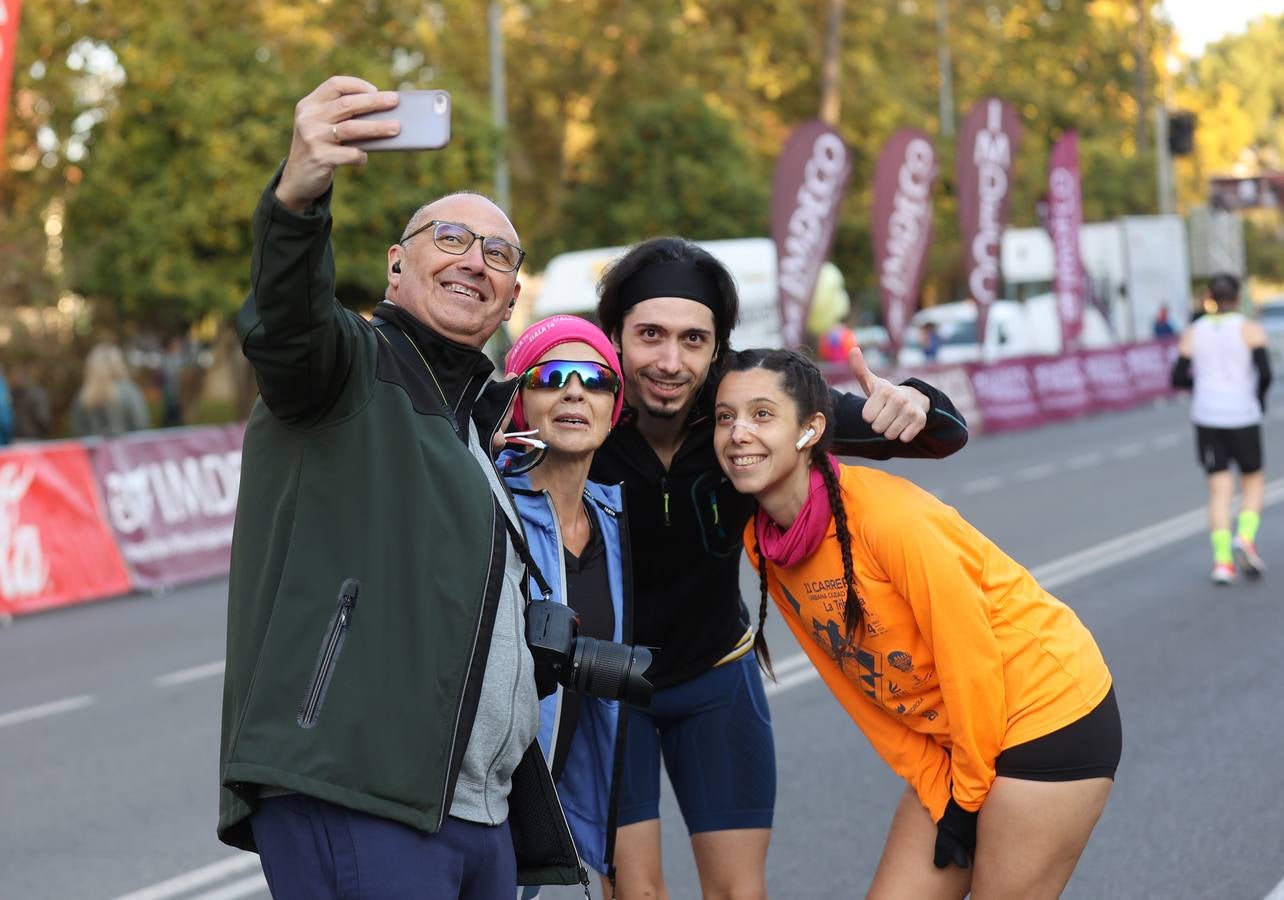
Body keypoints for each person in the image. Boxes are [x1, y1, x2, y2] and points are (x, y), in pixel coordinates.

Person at [218, 76, 585, 898]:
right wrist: (299, 194)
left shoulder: (473, 427)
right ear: (395, 264)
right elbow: (286, 322)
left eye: (498, 254)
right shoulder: (350, 367)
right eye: (450, 237)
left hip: (474, 815)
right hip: (357, 789)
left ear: (512, 296)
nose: (474, 261)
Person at [588, 236, 969, 898]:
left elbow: (943, 436)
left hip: (715, 681)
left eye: (693, 340)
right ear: (615, 336)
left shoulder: (749, 404)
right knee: (636, 895)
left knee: (740, 893)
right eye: (649, 335)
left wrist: (915, 401)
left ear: (718, 347)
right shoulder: (580, 406)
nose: (670, 361)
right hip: (608, 691)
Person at [713, 348, 1120, 899]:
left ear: (810, 430)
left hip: (1045, 712)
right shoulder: (765, 543)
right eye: (724, 417)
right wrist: (937, 782)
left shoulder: (886, 516)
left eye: (762, 414)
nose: (738, 432)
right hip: (962, 739)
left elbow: (968, 656)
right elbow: (856, 687)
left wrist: (967, 797)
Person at [499, 315, 635, 896]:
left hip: (549, 803)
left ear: (613, 406)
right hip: (477, 803)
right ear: (521, 402)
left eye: (596, 379)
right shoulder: (488, 505)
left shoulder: (614, 517)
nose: (575, 390)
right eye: (552, 376)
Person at [1171, 273, 1271, 585]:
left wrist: (1201, 384)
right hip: (1241, 413)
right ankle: (1245, 535)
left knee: (1218, 490)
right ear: (1238, 297)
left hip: (1207, 416)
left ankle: (1222, 562)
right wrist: (1257, 400)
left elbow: (1177, 377)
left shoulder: (1194, 331)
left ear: (1210, 297)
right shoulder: (1249, 328)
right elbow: (1265, 373)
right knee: (1252, 482)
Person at [69, 343, 151, 438]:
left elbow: (78, 430)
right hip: (126, 450)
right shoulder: (129, 391)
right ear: (118, 363)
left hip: (95, 452)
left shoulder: (83, 395)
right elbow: (141, 424)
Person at [10, 365, 52, 441]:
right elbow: (43, 419)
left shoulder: (9, 395)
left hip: (29, 439)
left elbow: (43, 419)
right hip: (29, 439)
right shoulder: (38, 394)